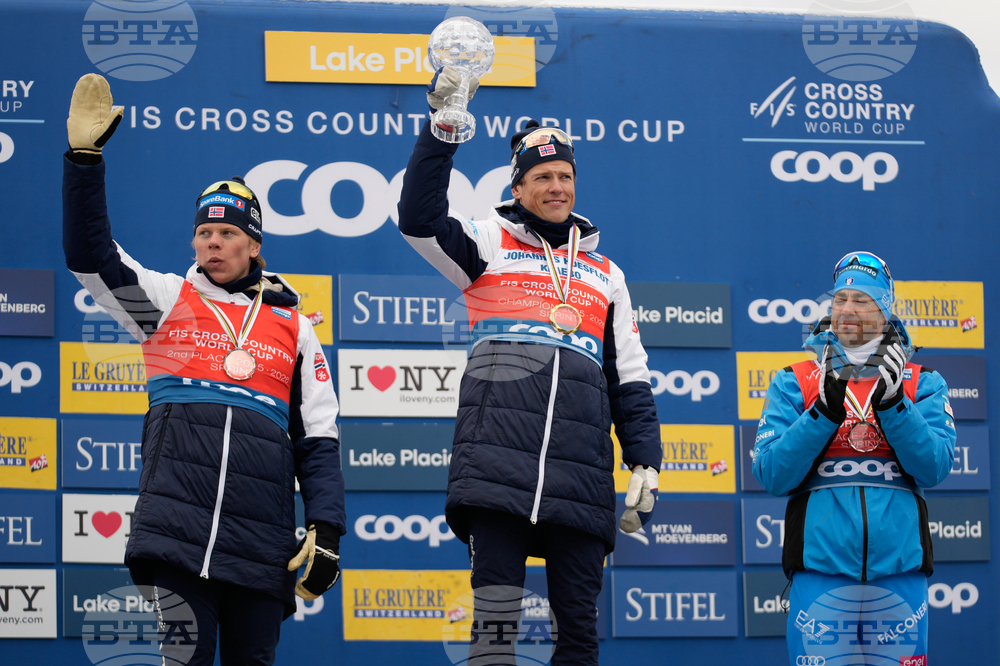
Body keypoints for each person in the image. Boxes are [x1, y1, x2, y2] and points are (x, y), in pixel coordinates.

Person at [62, 73, 345, 666]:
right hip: (177, 530)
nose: (212, 243)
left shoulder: (295, 326)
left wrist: (326, 529)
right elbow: (91, 257)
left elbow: (318, 437)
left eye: (227, 233)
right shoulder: (165, 304)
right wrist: (85, 164)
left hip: (262, 538)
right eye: (204, 233)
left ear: (254, 246)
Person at [397, 67, 663, 665]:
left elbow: (629, 376)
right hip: (496, 470)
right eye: (542, 177)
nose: (556, 187)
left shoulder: (607, 274)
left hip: (581, 476)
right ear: (517, 189)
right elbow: (417, 219)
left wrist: (645, 457)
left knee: (579, 637)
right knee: (494, 633)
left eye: (565, 176)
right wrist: (442, 132)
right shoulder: (488, 245)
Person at [752, 252, 956, 665]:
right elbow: (771, 474)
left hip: (899, 574)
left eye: (861, 300)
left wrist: (896, 405)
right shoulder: (794, 381)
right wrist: (822, 413)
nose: (847, 310)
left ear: (885, 310)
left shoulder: (923, 382)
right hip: (819, 575)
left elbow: (935, 467)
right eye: (840, 299)